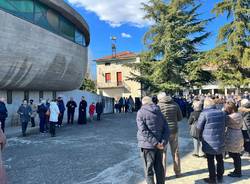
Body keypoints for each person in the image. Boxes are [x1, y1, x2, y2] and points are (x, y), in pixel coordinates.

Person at [137, 96, 169, 184]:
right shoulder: (159, 112)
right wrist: (162, 142)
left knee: (149, 170)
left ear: (143, 103)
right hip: (159, 145)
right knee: (159, 169)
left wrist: (156, 143)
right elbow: (166, 129)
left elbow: (143, 130)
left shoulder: (140, 112)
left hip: (147, 146)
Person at [196, 98, 226, 183]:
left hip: (209, 140)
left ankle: (212, 178)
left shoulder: (204, 113)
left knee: (210, 160)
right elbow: (225, 124)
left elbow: (199, 127)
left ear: (205, 105)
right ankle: (220, 176)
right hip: (220, 139)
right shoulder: (222, 113)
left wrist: (200, 137)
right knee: (220, 158)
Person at [157, 92, 183, 178]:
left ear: (160, 98)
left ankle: (163, 174)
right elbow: (180, 118)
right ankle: (178, 172)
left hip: (163, 132)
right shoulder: (175, 104)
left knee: (163, 153)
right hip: (174, 131)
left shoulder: (158, 106)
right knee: (175, 152)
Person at [224, 102, 244, 178]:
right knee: (236, 154)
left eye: (226, 108)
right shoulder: (239, 114)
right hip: (238, 133)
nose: (225, 110)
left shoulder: (230, 117)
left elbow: (225, 122)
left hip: (233, 135)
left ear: (230, 109)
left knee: (235, 155)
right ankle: (237, 171)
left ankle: (238, 172)